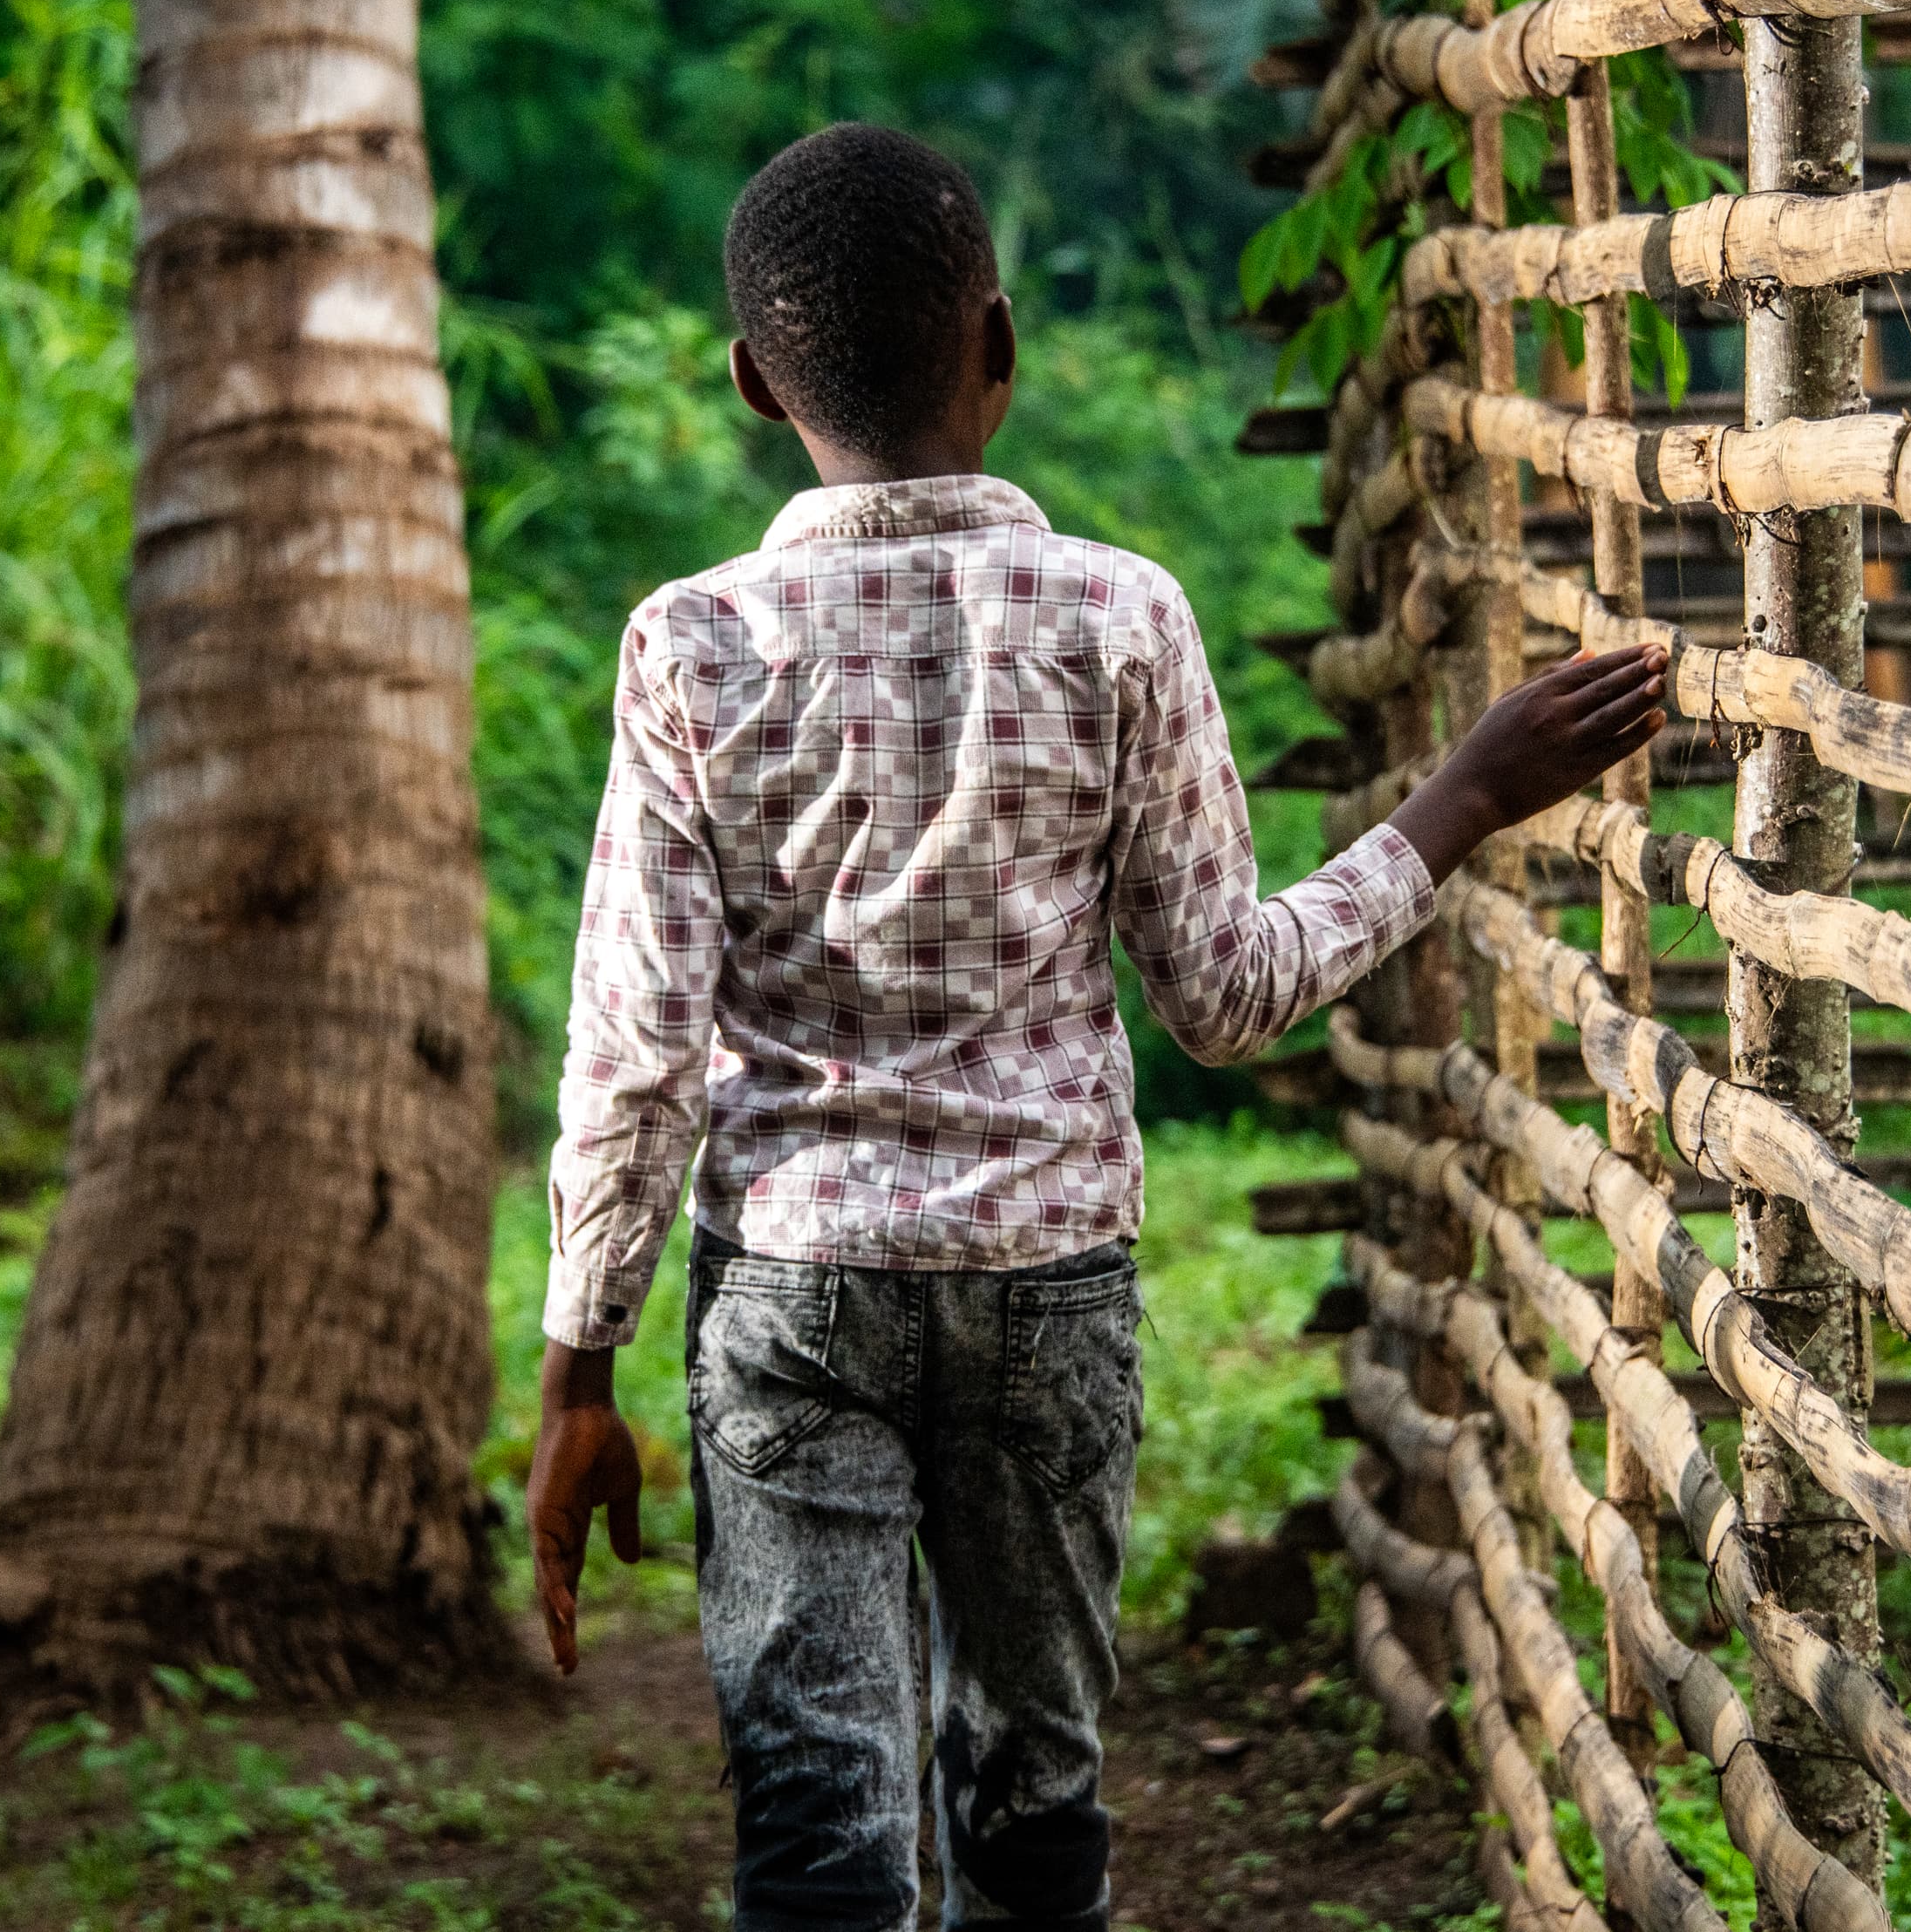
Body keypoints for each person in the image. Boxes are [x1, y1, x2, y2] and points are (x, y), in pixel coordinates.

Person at [527, 121, 1665, 1932]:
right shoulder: (1121, 618)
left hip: (789, 1284)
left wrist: (578, 1364)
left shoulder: (693, 643)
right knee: (1031, 1797)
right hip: (1048, 1281)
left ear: (752, 381)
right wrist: (1460, 797)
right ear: (999, 349)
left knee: (818, 1827)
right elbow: (1225, 994)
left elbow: (637, 1044)